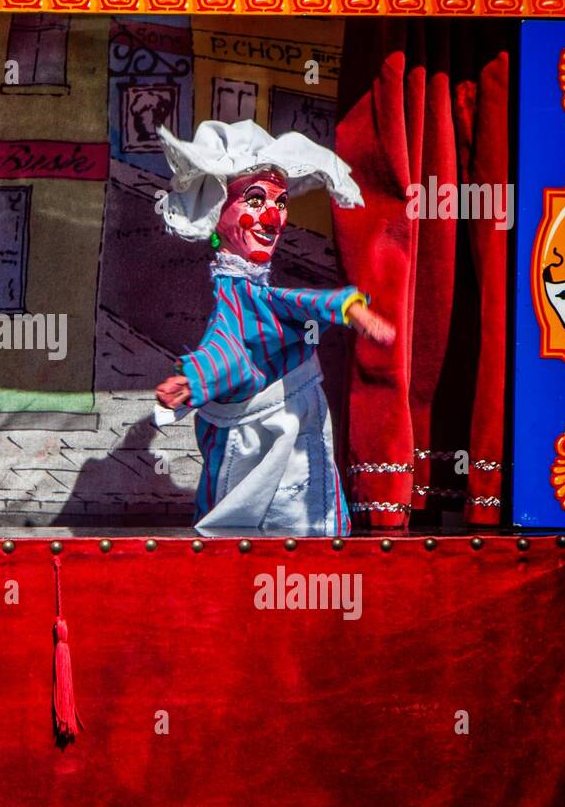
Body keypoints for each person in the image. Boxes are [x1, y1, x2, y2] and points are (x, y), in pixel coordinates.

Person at [153, 119, 395, 536]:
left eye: (281, 203)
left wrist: (346, 306)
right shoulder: (235, 294)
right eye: (256, 199)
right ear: (219, 210)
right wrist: (193, 379)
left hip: (288, 421)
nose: (273, 217)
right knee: (256, 521)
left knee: (290, 517)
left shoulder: (250, 291)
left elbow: (277, 310)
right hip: (261, 433)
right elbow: (228, 344)